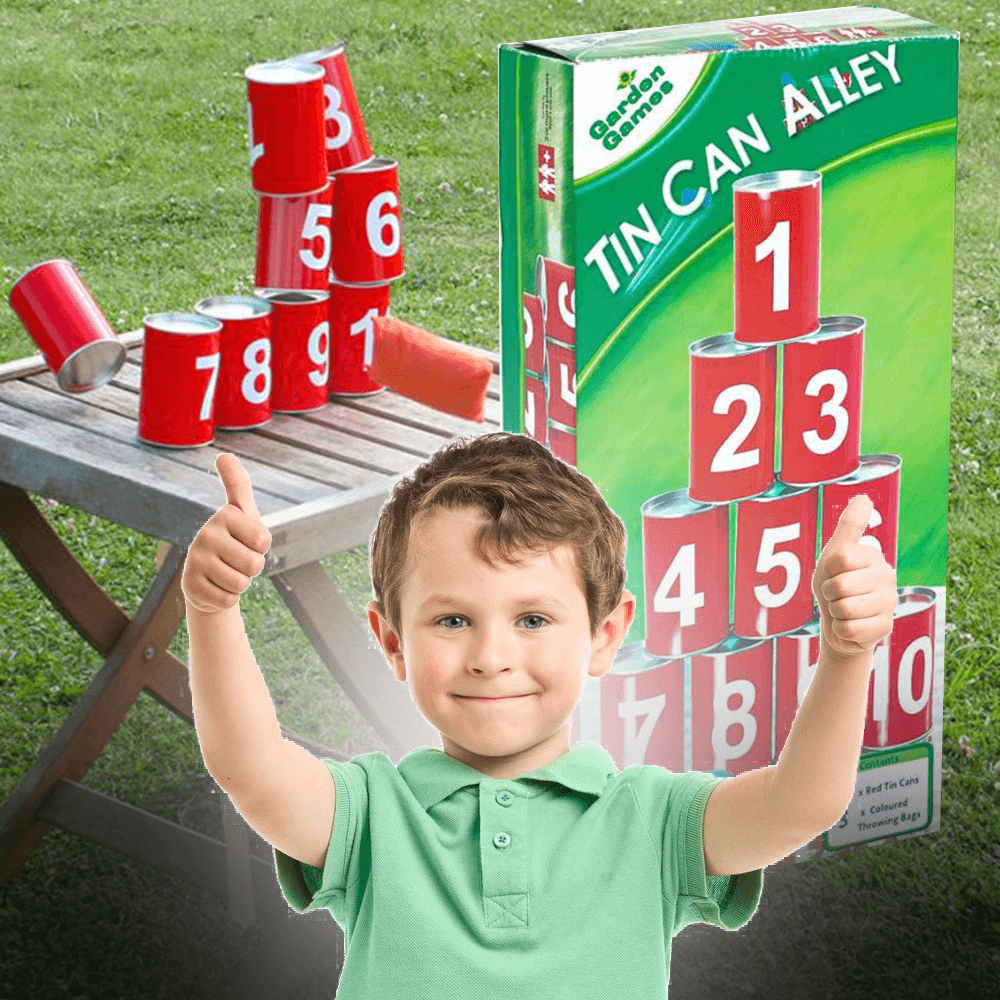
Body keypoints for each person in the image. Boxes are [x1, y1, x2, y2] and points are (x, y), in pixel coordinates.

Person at [181, 431, 897, 998]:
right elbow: (251, 768)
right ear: (391, 643)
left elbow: (800, 804)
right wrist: (211, 610)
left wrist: (846, 653)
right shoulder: (370, 814)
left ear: (604, 635)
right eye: (454, 619)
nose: (492, 656)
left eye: (531, 619)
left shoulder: (654, 821)